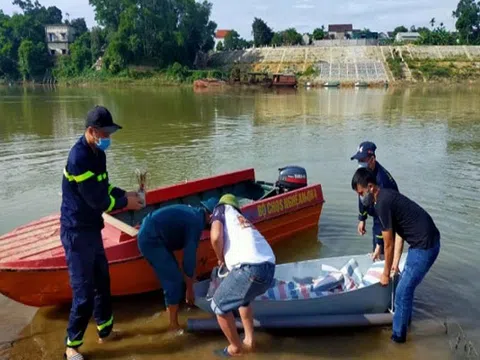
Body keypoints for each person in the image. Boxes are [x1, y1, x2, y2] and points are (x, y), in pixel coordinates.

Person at [60, 105, 143, 360]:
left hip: (92, 229)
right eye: (104, 134)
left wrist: (125, 194)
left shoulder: (98, 154)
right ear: (91, 131)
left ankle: (105, 332)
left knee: (102, 284)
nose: (108, 138)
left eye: (110, 134)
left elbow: (104, 188)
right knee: (84, 293)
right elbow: (96, 201)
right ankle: (71, 347)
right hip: (76, 232)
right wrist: (125, 203)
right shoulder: (79, 158)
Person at [351, 168, 441, 343]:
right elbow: (400, 232)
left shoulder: (382, 203)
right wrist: (395, 263)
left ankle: (398, 340)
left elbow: (389, 243)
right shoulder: (384, 197)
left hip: (425, 246)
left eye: (361, 193)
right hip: (421, 242)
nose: (360, 198)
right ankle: (406, 324)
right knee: (406, 289)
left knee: (401, 292)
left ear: (370, 187)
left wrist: (385, 274)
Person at [208, 194, 276, 357]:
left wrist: (220, 258)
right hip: (269, 269)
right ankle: (249, 340)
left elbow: (216, 237)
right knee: (243, 301)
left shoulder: (220, 209)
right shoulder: (240, 219)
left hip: (249, 269)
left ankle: (235, 348)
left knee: (218, 305)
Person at [137, 200, 216, 331]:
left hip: (155, 233)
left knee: (174, 275)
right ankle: (173, 325)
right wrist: (190, 290)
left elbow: (190, 259)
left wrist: (192, 281)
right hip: (151, 239)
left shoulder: (195, 215)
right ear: (210, 216)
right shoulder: (195, 223)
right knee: (174, 280)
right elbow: (189, 258)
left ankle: (169, 311)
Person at [350, 141, 399, 260]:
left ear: (372, 159)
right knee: (377, 249)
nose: (360, 163)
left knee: (383, 252)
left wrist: (379, 244)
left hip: (390, 219)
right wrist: (362, 218)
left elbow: (381, 217)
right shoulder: (365, 175)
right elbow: (361, 194)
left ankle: (387, 271)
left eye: (363, 160)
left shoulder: (382, 182)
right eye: (359, 160)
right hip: (379, 216)